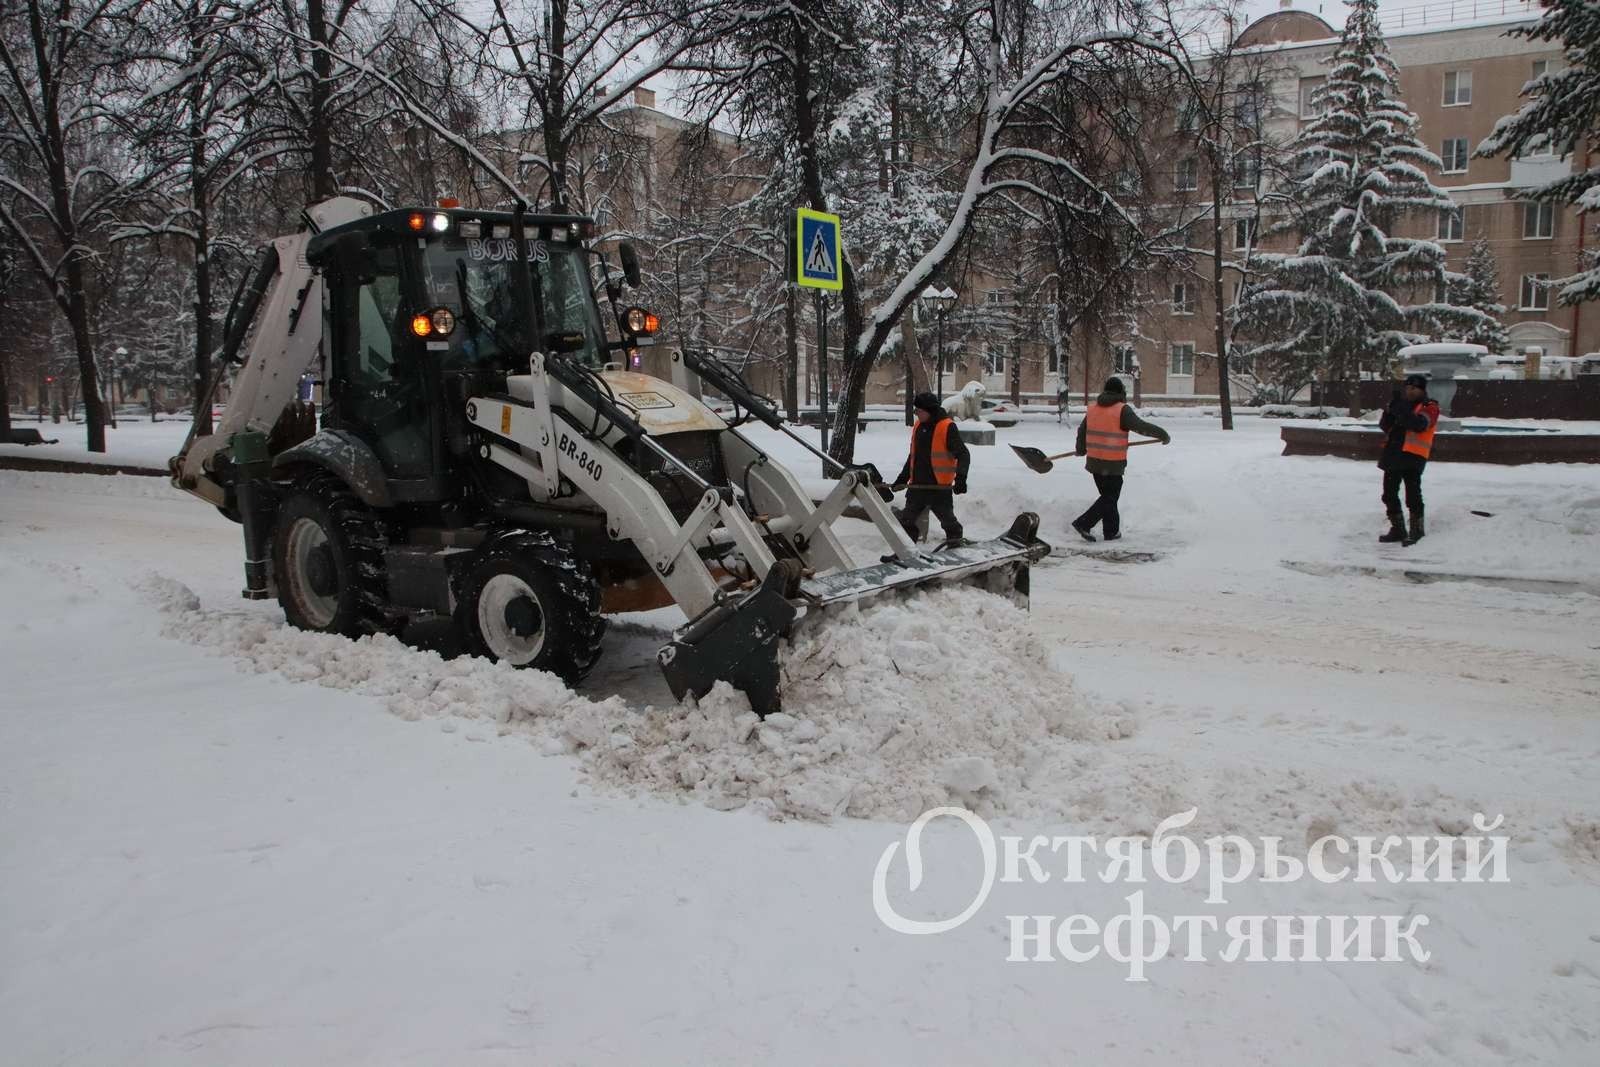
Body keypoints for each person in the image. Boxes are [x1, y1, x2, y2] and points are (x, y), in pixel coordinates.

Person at [1071, 376, 1170, 542]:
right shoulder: (1122, 410)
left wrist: (1080, 449)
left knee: (1108, 497)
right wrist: (1162, 434)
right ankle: (1084, 523)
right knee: (1110, 497)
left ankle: (1111, 531)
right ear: (1120, 392)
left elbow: (1082, 430)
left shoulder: (1094, 409)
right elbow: (1141, 426)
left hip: (1095, 462)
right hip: (1112, 463)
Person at [890, 391, 971, 549]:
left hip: (938, 488)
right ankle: (906, 553)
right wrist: (902, 478)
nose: (917, 414)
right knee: (906, 521)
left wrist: (961, 478)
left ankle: (955, 549)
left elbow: (963, 454)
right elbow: (913, 456)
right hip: (917, 486)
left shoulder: (947, 427)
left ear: (929, 410)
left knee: (949, 523)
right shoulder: (918, 426)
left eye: (919, 411)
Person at [1377, 374, 1441, 546]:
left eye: (1414, 388)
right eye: (1408, 388)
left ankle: (1417, 530)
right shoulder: (1402, 405)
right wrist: (1390, 411)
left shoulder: (1430, 406)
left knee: (1412, 495)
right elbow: (1385, 426)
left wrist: (1400, 409)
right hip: (1393, 455)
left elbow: (1418, 424)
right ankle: (1397, 528)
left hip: (1413, 456)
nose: (1410, 391)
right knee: (1388, 494)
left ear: (1422, 390)